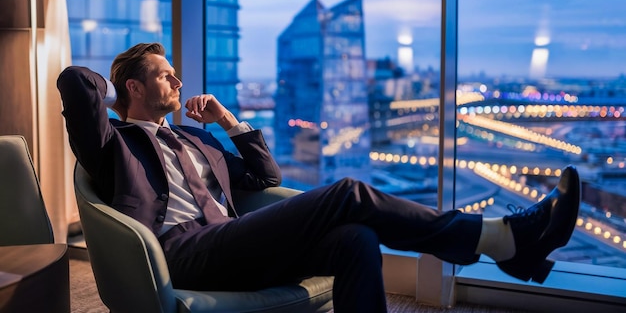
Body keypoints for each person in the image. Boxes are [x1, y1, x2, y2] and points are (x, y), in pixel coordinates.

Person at [57, 42, 581, 313]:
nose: (177, 78)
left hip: (233, 242)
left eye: (174, 71)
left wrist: (227, 122)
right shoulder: (115, 146)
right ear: (131, 85)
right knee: (349, 193)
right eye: (163, 74)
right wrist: (119, 93)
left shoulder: (198, 139)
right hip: (180, 252)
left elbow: (266, 175)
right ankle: (500, 240)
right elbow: (75, 84)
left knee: (357, 238)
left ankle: (508, 246)